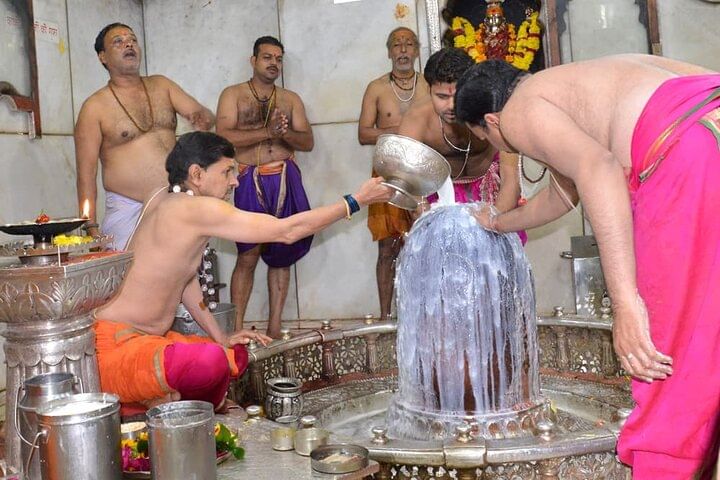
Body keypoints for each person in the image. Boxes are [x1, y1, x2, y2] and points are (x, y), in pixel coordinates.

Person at [455, 55, 720, 479]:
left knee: (658, 350)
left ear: (491, 121)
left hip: (682, 157)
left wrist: (625, 305)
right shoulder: (573, 82)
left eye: (485, 137)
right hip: (709, 126)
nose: (500, 146)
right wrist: (498, 223)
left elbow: (599, 169)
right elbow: (562, 195)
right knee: (707, 329)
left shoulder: (518, 112)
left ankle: (665, 467)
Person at [94, 131, 392, 411]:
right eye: (227, 172)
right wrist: (356, 201)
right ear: (197, 175)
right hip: (117, 347)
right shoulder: (195, 209)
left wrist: (220, 336)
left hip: (141, 341)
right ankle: (172, 408)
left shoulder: (164, 198)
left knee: (234, 355)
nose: (235, 181)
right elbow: (287, 231)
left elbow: (184, 281)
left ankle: (167, 399)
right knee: (211, 362)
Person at [75, 23, 214, 250]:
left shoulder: (162, 85)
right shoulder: (94, 107)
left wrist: (203, 119)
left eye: (132, 39)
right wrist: (90, 228)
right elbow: (86, 174)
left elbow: (203, 115)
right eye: (118, 41)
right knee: (131, 273)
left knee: (184, 270)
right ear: (103, 57)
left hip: (176, 200)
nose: (129, 44)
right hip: (129, 208)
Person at [216, 36, 314, 338]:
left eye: (278, 59)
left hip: (285, 176)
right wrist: (267, 132)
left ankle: (273, 328)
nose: (274, 63)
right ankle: (236, 329)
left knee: (284, 250)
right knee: (248, 254)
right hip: (249, 177)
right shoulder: (233, 95)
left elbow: (307, 142)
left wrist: (284, 136)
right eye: (267, 57)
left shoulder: (291, 99)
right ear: (253, 60)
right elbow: (224, 137)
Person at [399, 48, 522, 224]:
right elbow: (407, 177)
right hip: (440, 196)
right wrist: (426, 216)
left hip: (492, 192)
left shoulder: (493, 111)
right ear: (429, 89)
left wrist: (494, 220)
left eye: (457, 96)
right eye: (442, 96)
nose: (451, 105)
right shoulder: (416, 118)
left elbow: (511, 178)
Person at [358, 27, 430, 321]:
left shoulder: (429, 85)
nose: (403, 50)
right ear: (389, 51)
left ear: (417, 51)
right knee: (387, 246)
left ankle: (422, 315)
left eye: (409, 44)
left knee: (425, 242)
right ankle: (385, 318)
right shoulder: (376, 88)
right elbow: (364, 134)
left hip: (424, 170)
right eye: (397, 45)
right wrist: (400, 130)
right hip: (387, 170)